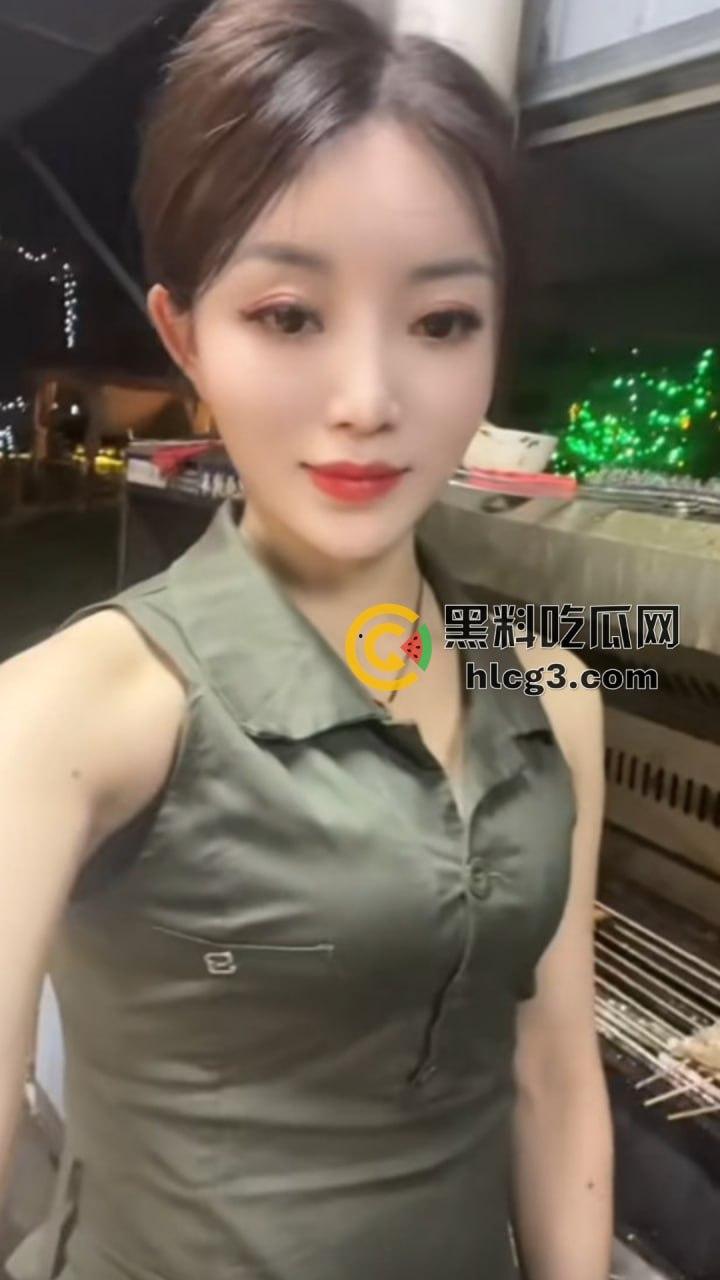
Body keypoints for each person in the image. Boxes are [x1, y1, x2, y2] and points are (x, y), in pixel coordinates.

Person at [0, 2, 614, 1277]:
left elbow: (554, 1076)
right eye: (288, 314)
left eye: (441, 321)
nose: (368, 400)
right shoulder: (73, 710)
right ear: (187, 337)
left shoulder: (550, 693)